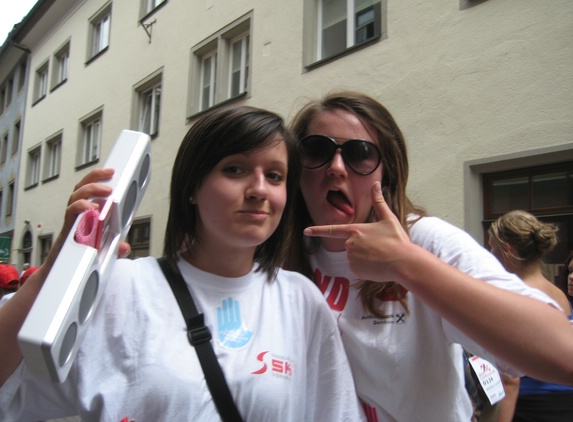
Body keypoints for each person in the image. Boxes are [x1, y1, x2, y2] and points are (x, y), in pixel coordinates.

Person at [0, 106, 365, 421]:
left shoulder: (300, 300)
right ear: (191, 187)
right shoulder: (119, 287)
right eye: (235, 169)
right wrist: (58, 269)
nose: (259, 190)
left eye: (274, 176)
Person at [284, 91, 573, 422]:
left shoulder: (425, 240)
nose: (336, 168)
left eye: (360, 154)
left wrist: (406, 264)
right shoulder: (282, 255)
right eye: (316, 150)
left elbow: (564, 353)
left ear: (386, 173)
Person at [488, 210, 573, 421]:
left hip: (529, 405)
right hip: (565, 401)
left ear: (507, 251)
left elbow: (510, 381)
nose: (490, 254)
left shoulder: (516, 297)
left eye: (492, 247)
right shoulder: (559, 295)